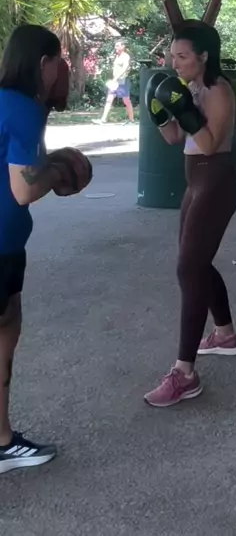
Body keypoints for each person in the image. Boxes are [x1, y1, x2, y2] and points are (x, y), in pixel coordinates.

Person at [0, 25, 90, 473]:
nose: (62, 71)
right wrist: (59, 172)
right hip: (1, 243)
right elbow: (24, 189)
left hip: (8, 243)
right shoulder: (22, 109)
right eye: (59, 62)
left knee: (8, 325)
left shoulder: (8, 103)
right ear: (43, 64)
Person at [144, 23, 236, 408]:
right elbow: (175, 139)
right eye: (173, 56)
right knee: (195, 263)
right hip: (195, 180)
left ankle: (184, 373)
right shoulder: (191, 89)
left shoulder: (218, 90)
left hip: (216, 179)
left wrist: (185, 109)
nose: (175, 63)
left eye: (182, 56)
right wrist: (161, 113)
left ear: (203, 56)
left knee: (189, 267)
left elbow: (210, 143)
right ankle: (225, 335)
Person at [95, 40, 134, 124]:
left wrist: (116, 78)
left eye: (118, 46)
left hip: (123, 81)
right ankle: (103, 119)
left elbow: (125, 68)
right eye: (115, 46)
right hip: (115, 82)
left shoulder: (126, 56)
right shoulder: (117, 56)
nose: (116, 47)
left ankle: (131, 120)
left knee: (126, 101)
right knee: (109, 99)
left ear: (123, 46)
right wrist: (114, 79)